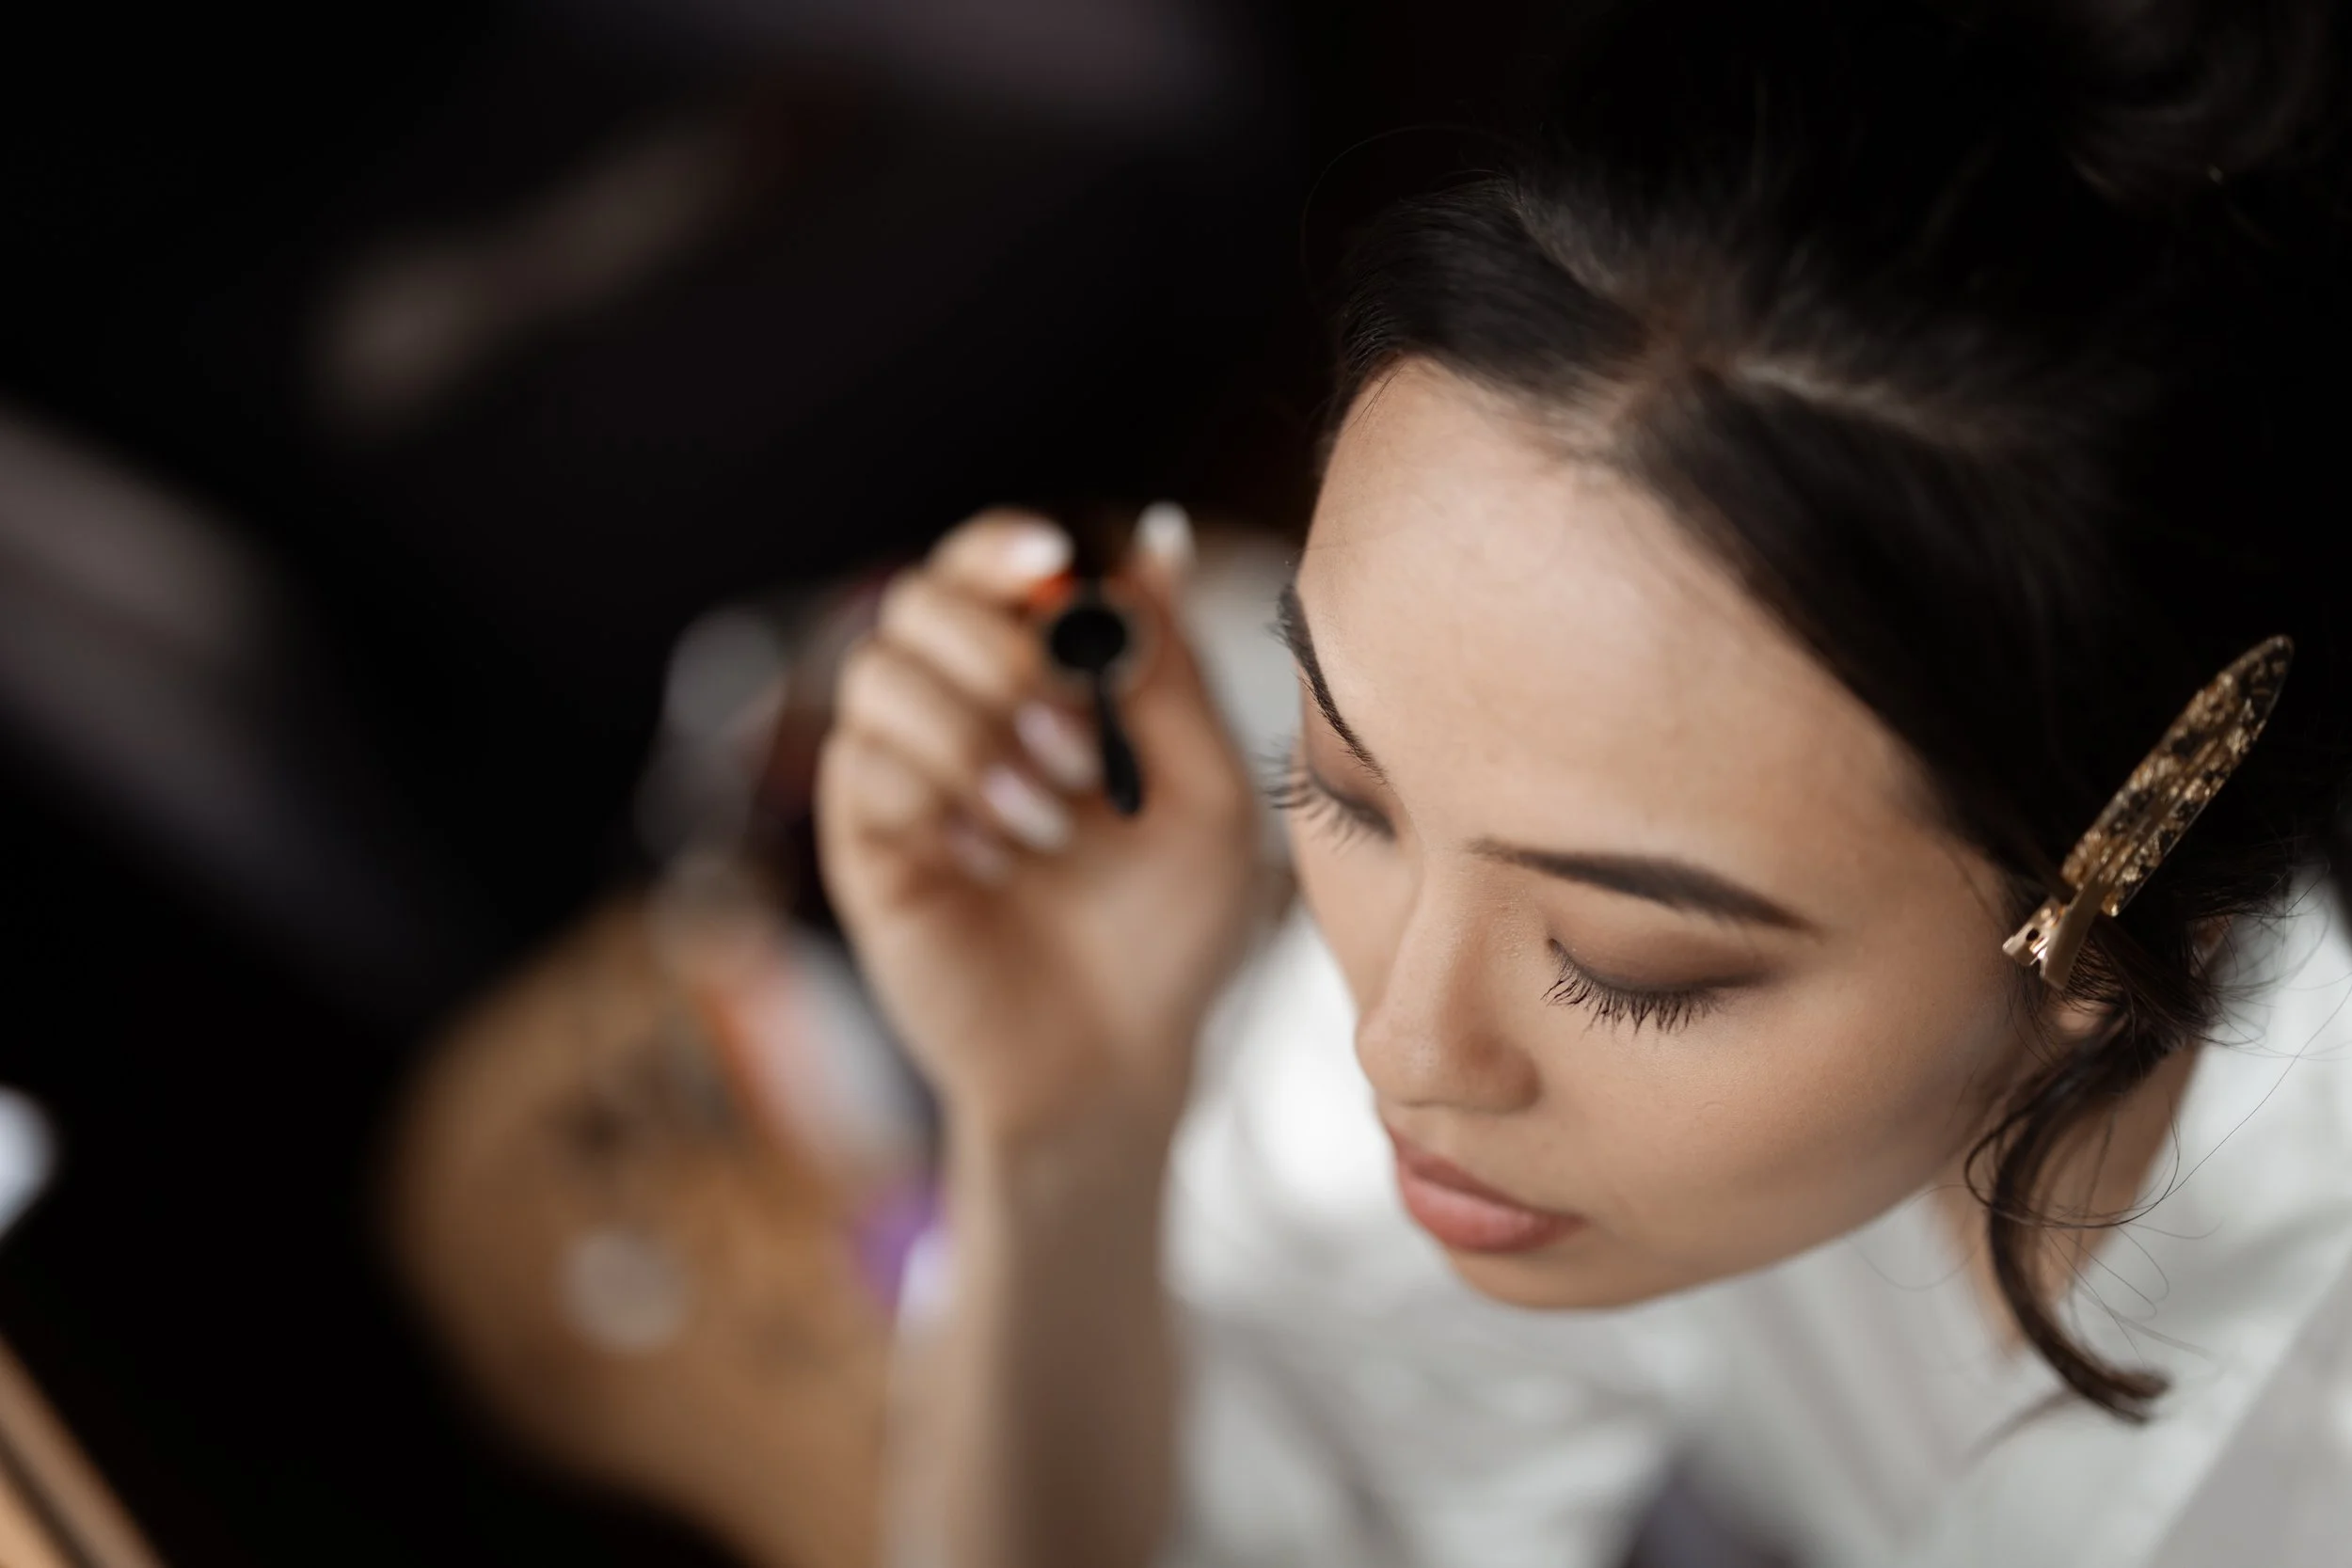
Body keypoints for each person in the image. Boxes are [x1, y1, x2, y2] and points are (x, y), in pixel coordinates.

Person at [815, 1, 2352, 1562]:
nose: (1402, 1047)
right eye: (1344, 784)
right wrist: (1068, 1119)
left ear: (2122, 886)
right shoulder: (1481, 963)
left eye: (1636, 966)